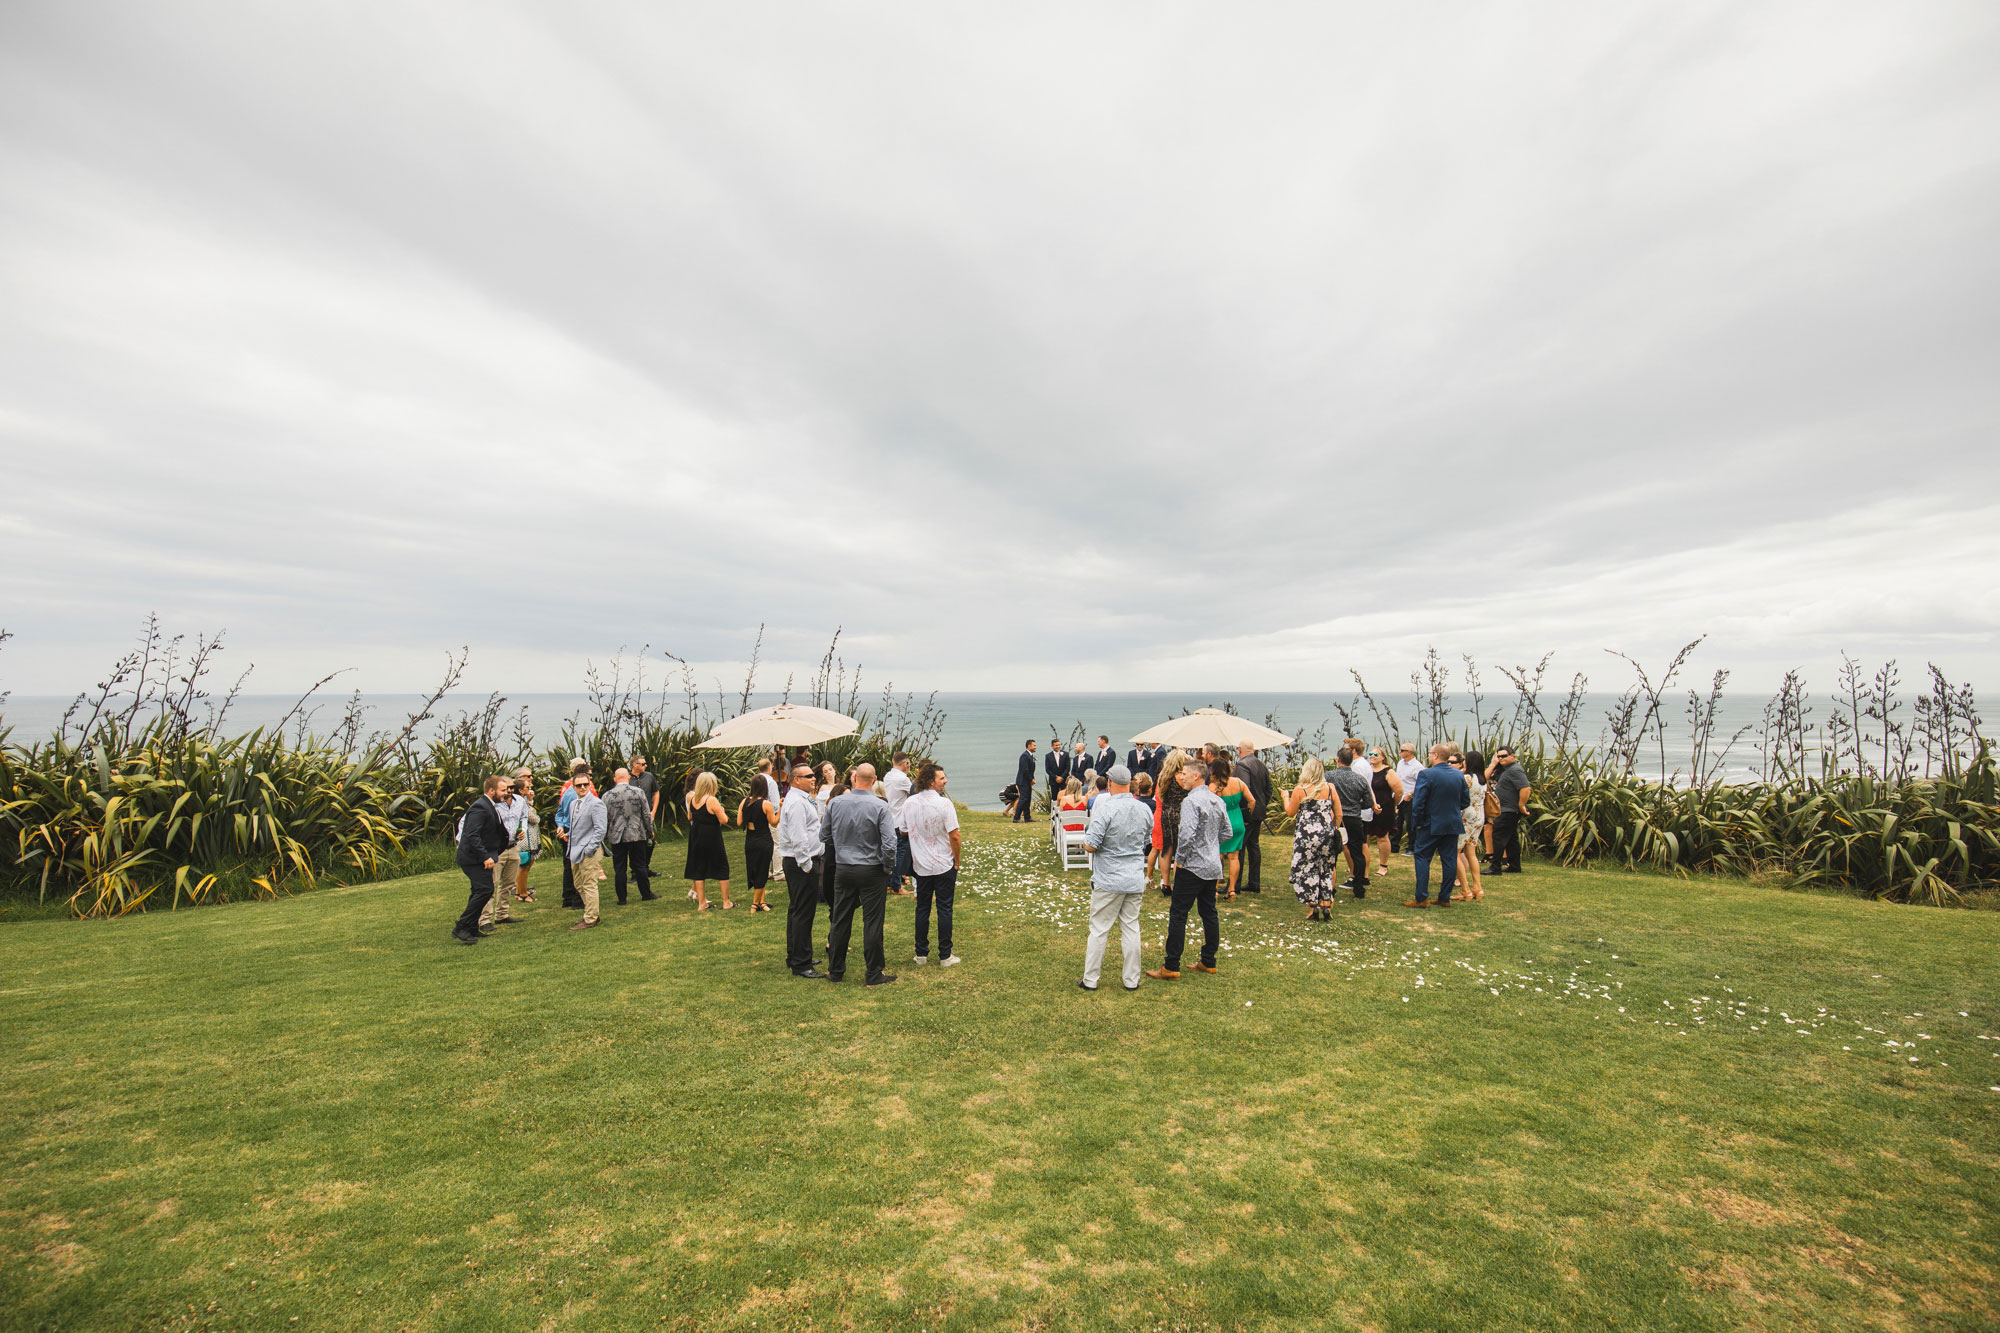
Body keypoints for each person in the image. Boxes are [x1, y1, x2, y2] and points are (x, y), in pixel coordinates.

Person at [1148, 761, 1227, 980]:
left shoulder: (1191, 801)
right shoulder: (1217, 800)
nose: (1181, 777)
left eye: (1184, 774)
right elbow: (1227, 832)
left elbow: (1186, 835)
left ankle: (1171, 965)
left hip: (1192, 865)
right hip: (1212, 865)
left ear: (1196, 777)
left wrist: (1179, 860)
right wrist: (1211, 844)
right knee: (1209, 912)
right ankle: (1208, 960)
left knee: (1178, 913)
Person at [822, 763, 899, 986]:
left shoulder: (836, 803)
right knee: (872, 922)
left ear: (854, 779)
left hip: (844, 867)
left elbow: (824, 835)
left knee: (840, 919)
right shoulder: (880, 806)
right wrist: (888, 866)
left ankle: (836, 971)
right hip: (872, 869)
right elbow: (889, 843)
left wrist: (842, 847)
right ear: (874, 780)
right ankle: (873, 974)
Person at [1080, 765, 1152, 991]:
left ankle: (1090, 979)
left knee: (1099, 929)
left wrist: (1085, 842)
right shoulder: (1144, 809)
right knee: (1131, 927)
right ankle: (1131, 980)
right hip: (1133, 877)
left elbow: (1091, 845)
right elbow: (1147, 840)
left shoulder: (1105, 808)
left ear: (1109, 783)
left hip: (1109, 878)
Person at [900, 761, 961, 967]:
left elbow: (903, 830)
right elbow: (955, 836)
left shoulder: (909, 803)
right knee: (945, 908)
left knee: (922, 908)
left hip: (920, 865)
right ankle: (945, 955)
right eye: (941, 778)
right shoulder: (944, 804)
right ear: (931, 782)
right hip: (944, 863)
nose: (945, 781)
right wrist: (957, 860)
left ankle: (921, 954)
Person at [1407, 743, 1470, 908]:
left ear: (1435, 755)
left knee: (1422, 857)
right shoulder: (1458, 775)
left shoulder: (1426, 774)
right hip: (1452, 823)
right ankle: (1444, 897)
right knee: (1449, 860)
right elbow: (1465, 801)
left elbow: (1418, 802)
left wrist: (1417, 823)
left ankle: (1421, 897)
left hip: (1430, 823)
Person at [452, 775, 514, 944]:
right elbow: (472, 834)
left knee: (479, 890)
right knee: (485, 890)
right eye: (502, 790)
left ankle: (471, 927)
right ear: (491, 790)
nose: (506, 793)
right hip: (473, 859)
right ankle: (461, 927)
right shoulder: (480, 807)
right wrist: (484, 856)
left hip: (481, 857)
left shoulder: (490, 805)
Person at [779, 764, 827, 977]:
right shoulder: (797, 802)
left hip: (800, 861)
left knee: (798, 910)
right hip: (801, 863)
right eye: (808, 776)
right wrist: (808, 866)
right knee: (803, 912)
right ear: (795, 779)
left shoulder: (801, 798)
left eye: (813, 775)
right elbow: (798, 837)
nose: (813, 778)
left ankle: (798, 954)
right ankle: (801, 963)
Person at [1284, 757, 1342, 921]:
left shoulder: (1300, 790)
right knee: (1326, 868)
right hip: (1327, 834)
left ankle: (1313, 906)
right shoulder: (1330, 788)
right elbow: (1338, 813)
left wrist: (1285, 798)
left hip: (1306, 836)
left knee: (1308, 868)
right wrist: (1333, 828)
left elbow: (1290, 812)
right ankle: (1326, 905)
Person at [478, 770, 530, 928]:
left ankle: (502, 914)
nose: (509, 791)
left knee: (507, 883)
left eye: (511, 787)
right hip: (496, 849)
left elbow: (524, 816)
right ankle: (485, 919)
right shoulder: (491, 804)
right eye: (506, 788)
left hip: (513, 847)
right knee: (491, 884)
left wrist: (524, 829)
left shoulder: (519, 801)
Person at [601, 768, 658, 905]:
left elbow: (604, 818)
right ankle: (646, 894)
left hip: (616, 836)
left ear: (615, 779)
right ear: (628, 777)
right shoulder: (638, 792)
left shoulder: (607, 796)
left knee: (619, 868)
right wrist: (650, 830)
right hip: (636, 833)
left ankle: (622, 899)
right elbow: (646, 814)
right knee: (640, 865)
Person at [683, 771, 733, 910]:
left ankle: (701, 902)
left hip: (696, 836)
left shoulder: (693, 799)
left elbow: (689, 817)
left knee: (699, 868)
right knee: (722, 866)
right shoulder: (711, 800)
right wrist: (721, 809)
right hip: (711, 837)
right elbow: (724, 820)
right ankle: (726, 902)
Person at [1330, 746, 1375, 897]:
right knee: (1357, 852)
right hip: (1355, 818)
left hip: (1336, 818)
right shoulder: (1360, 779)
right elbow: (1369, 802)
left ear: (1338, 760)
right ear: (1351, 760)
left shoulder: (1329, 776)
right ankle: (1359, 886)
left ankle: (1330, 885)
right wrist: (1356, 805)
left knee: (1332, 852)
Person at [565, 772, 607, 931]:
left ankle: (590, 918)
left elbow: (600, 829)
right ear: (573, 787)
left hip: (589, 851)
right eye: (578, 785)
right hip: (575, 851)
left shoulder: (596, 803)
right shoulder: (573, 804)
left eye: (585, 784)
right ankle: (592, 913)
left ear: (590, 785)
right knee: (578, 884)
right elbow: (576, 827)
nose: (582, 788)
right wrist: (567, 835)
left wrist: (589, 849)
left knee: (589, 884)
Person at [1211, 761, 1255, 900]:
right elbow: (1252, 801)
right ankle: (1232, 890)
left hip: (1222, 823)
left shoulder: (1214, 787)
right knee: (1234, 857)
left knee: (1217, 855)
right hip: (1237, 820)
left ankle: (1215, 889)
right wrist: (1248, 816)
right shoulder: (1238, 782)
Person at [1231, 742, 1272, 894]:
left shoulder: (1242, 766)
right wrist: (1263, 804)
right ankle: (1254, 882)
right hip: (1259, 810)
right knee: (1253, 845)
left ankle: (1235, 884)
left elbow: (1242, 788)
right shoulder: (1261, 764)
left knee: (1239, 847)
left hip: (1247, 811)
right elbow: (1269, 788)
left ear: (1240, 750)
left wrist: (1243, 812)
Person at [1150, 748, 1188, 895]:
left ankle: (1166, 883)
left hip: (1165, 813)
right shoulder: (1181, 777)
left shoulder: (1162, 777)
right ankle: (1178, 883)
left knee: (1166, 849)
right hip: (1179, 814)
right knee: (1180, 849)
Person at [1487, 748, 1531, 875]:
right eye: (1498, 756)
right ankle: (1514, 865)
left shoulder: (1515, 770)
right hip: (1506, 809)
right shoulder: (1506, 770)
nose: (1501, 759)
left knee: (1498, 836)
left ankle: (1495, 867)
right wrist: (1494, 764)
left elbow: (1525, 788)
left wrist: (1521, 805)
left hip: (1509, 810)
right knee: (1511, 839)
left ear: (1512, 756)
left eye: (1504, 756)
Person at [738, 779, 778, 912]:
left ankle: (762, 902)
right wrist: (781, 809)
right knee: (763, 869)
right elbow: (773, 822)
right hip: (764, 840)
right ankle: (755, 904)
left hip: (750, 840)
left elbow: (739, 822)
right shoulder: (766, 804)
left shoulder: (744, 802)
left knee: (755, 869)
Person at [555, 757, 589, 909]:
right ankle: (577, 899)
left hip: (567, 830)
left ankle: (567, 897)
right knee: (578, 865)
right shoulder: (577, 795)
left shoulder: (567, 791)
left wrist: (560, 825)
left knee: (568, 865)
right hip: (575, 831)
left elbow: (560, 813)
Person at [1455, 749, 1487, 901]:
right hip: (1479, 815)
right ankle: (1477, 887)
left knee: (1454, 852)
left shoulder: (1466, 778)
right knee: (1471, 853)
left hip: (1465, 816)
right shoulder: (1482, 780)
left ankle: (1465, 889)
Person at [1366, 748, 1403, 879]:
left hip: (1384, 807)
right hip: (1368, 807)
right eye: (1370, 754)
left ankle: (1383, 866)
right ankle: (1363, 864)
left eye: (1375, 754)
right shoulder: (1367, 769)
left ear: (1382, 757)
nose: (1372, 756)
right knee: (1365, 836)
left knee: (1382, 836)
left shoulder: (1388, 772)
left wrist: (1394, 804)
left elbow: (1399, 791)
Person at [883, 752, 915, 895]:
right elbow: (915, 793)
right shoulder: (902, 779)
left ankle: (891, 883)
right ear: (905, 764)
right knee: (900, 853)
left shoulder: (888, 776)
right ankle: (896, 886)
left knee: (894, 852)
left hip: (891, 817)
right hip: (901, 820)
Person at [509, 769, 540, 904]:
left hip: (528, 838)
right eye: (527, 787)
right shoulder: (521, 802)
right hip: (526, 840)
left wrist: (531, 800)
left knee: (526, 865)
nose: (529, 788)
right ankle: (521, 893)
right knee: (524, 866)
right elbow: (532, 818)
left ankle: (521, 890)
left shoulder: (521, 800)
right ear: (521, 790)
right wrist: (536, 815)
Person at [629, 753, 661, 881]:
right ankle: (635, 872)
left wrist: (653, 811)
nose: (645, 766)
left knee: (649, 843)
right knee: (634, 844)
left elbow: (656, 792)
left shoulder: (649, 776)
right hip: (633, 818)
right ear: (634, 765)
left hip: (647, 816)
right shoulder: (627, 779)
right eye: (643, 764)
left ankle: (645, 868)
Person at [1393, 743, 1423, 856]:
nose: (1400, 752)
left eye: (1403, 750)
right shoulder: (1401, 763)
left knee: (1410, 824)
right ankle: (1394, 845)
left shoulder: (1417, 767)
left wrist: (1410, 795)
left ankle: (1412, 848)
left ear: (1409, 752)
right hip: (1400, 797)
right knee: (1397, 822)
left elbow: (1420, 783)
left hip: (1410, 799)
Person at [1013, 740, 1039, 822]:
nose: (1035, 747)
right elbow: (1025, 770)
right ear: (1029, 746)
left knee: (1028, 799)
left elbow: (1030, 770)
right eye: (1034, 745)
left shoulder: (1030, 756)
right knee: (1023, 799)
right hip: (1023, 781)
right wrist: (1031, 779)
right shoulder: (1024, 756)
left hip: (1027, 781)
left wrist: (1032, 779)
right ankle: (1016, 817)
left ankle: (1027, 817)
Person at [1044, 741, 1070, 808]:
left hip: (1063, 780)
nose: (1058, 746)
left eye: (1059, 745)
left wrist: (1062, 777)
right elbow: (1048, 769)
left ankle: (1064, 811)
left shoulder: (1066, 754)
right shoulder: (1048, 756)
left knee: (1065, 796)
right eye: (1056, 745)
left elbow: (1067, 768)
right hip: (1053, 780)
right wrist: (1055, 777)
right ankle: (1054, 813)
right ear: (1052, 746)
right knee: (1054, 797)